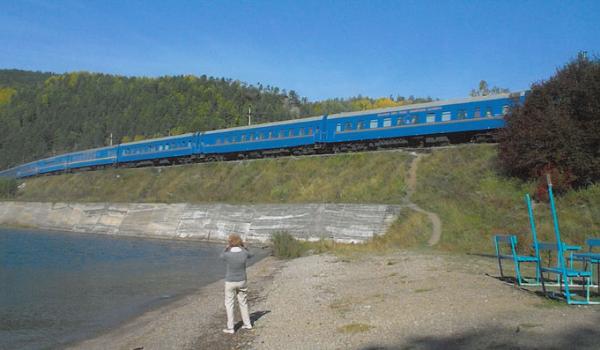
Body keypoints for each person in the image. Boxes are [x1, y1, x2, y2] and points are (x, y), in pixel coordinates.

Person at [220, 234, 253, 334]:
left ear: (230, 242)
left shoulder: (228, 254)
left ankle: (231, 328)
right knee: (243, 302)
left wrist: (226, 248)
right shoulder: (244, 253)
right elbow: (252, 254)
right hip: (242, 280)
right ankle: (247, 324)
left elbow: (221, 256)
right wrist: (245, 247)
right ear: (240, 242)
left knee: (229, 304)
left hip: (230, 281)